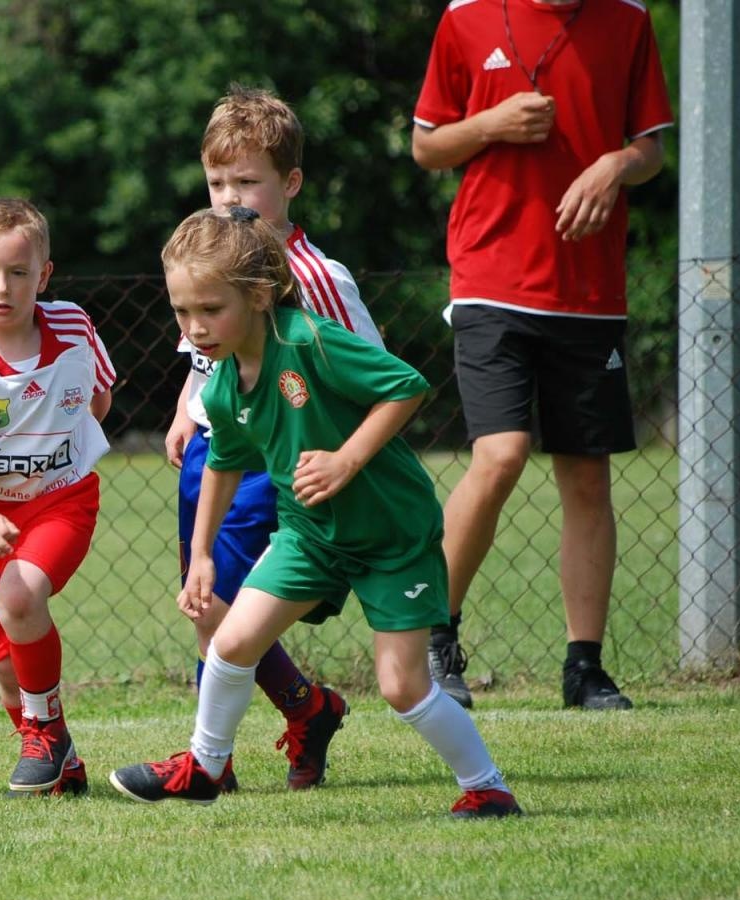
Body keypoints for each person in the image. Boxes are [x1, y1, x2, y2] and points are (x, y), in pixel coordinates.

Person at [110, 207, 521, 819]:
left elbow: (406, 385)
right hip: (308, 536)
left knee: (402, 686)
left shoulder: (306, 339)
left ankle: (489, 789)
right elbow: (223, 461)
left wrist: (346, 460)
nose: (195, 327)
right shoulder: (221, 385)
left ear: (258, 295)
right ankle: (204, 767)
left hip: (390, 536)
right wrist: (199, 555)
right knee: (232, 640)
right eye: (181, 312)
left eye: (210, 309)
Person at [410, 0, 673, 710]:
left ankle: (584, 668)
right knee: (500, 455)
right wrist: (491, 124)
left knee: (587, 479)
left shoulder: (629, 19)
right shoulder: (465, 17)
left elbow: (651, 148)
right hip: (490, 280)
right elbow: (426, 146)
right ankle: (437, 639)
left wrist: (615, 165)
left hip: (590, 289)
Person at [163, 85, 384, 790]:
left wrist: (344, 457)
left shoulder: (318, 278)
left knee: (223, 600)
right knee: (207, 602)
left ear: (290, 183)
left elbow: (371, 373)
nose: (229, 198)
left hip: (270, 460)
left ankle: (211, 764)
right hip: (213, 450)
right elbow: (208, 352)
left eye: (246, 182)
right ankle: (307, 708)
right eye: (217, 182)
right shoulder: (211, 255)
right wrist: (186, 409)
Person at [0, 199, 116, 797]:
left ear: (44, 274)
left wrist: (62, 441)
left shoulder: (74, 328)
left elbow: (99, 396)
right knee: (9, 670)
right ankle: (62, 760)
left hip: (63, 500)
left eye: (17, 272)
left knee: (19, 596)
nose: (2, 288)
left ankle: (43, 738)